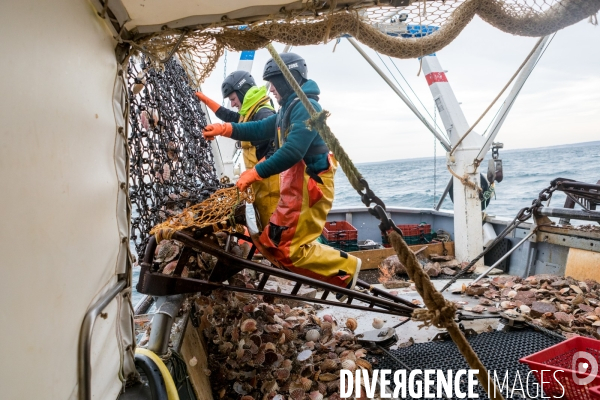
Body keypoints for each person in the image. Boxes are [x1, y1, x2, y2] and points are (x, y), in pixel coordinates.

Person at [201, 53, 361, 294]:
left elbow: (293, 151)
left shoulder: (307, 108)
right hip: (296, 187)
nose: (271, 89)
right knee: (272, 243)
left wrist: (254, 173)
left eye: (274, 82)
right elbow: (259, 127)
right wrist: (225, 128)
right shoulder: (288, 109)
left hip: (312, 187)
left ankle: (346, 267)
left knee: (288, 249)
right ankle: (338, 277)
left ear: (288, 79)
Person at [195, 71, 278, 230]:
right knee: (265, 229)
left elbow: (277, 149)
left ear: (243, 91)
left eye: (233, 99)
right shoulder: (250, 111)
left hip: (272, 189)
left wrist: (254, 172)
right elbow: (229, 116)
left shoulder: (263, 112)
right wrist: (206, 100)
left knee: (273, 232)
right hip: (261, 186)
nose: (232, 104)